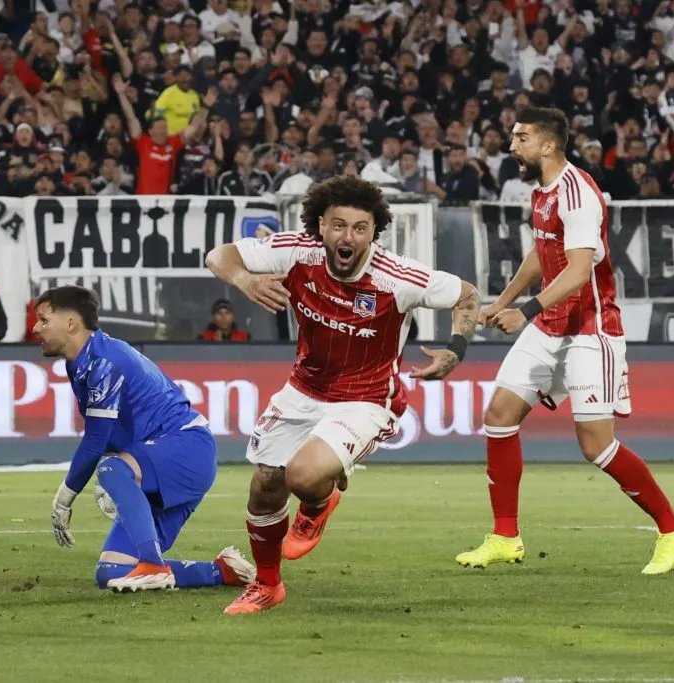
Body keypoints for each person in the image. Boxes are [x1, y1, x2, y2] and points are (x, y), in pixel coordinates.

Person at [206, 176, 480, 615]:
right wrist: (243, 280)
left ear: (374, 232)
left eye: (359, 228)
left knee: (303, 474)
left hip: (366, 398)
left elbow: (467, 295)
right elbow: (218, 255)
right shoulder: (298, 250)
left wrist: (456, 349)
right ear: (320, 226)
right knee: (265, 487)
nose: (347, 236)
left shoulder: (397, 277)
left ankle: (319, 499)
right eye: (337, 225)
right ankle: (267, 586)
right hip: (303, 388)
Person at [455, 107, 674, 575]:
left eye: (521, 138)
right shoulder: (542, 192)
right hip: (550, 328)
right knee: (499, 417)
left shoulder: (576, 192)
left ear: (548, 146)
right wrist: (501, 301)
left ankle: (673, 527)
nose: (512, 146)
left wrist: (524, 311)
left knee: (596, 447)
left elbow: (579, 270)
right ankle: (505, 536)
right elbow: (540, 254)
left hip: (591, 331)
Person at [34, 286, 255, 592]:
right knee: (111, 571)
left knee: (111, 468)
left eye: (44, 320)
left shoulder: (104, 360)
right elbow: (115, 431)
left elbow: (96, 441)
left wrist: (64, 499)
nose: (36, 328)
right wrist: (124, 486)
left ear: (71, 323)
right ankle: (222, 572)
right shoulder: (82, 361)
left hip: (186, 448)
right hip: (160, 463)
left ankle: (152, 563)